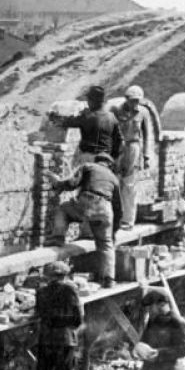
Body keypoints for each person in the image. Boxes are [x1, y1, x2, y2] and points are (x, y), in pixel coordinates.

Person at [44, 153, 122, 288]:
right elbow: (119, 209)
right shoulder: (114, 179)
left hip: (87, 202)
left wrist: (57, 183)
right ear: (109, 166)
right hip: (105, 210)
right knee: (106, 244)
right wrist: (113, 231)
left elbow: (72, 183)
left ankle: (57, 237)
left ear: (97, 161)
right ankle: (109, 279)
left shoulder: (89, 166)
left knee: (63, 209)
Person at [32, 261, 82, 370]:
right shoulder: (71, 290)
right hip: (65, 341)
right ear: (64, 275)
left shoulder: (41, 292)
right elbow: (79, 318)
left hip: (45, 340)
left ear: (48, 276)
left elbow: (39, 313)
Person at [48, 85, 123, 167]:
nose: (87, 102)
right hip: (106, 159)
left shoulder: (88, 117)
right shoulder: (112, 117)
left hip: (89, 159)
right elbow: (119, 141)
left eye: (89, 100)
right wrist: (113, 157)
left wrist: (54, 117)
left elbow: (67, 122)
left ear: (93, 101)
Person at [112, 85, 150, 229]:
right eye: (132, 100)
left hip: (134, 148)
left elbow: (147, 136)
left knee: (130, 184)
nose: (134, 103)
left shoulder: (143, 113)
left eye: (137, 100)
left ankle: (128, 220)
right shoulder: (116, 111)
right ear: (126, 99)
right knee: (115, 182)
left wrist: (146, 156)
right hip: (118, 148)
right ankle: (115, 218)